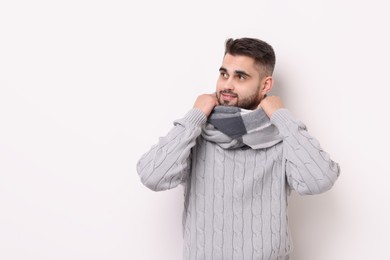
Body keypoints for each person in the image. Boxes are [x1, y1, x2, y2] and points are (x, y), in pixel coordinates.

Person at [136, 37, 340, 260]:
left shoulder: (282, 137)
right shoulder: (196, 135)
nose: (227, 85)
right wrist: (195, 116)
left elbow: (320, 179)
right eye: (224, 74)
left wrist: (282, 117)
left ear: (265, 86)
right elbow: (152, 176)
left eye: (240, 77)